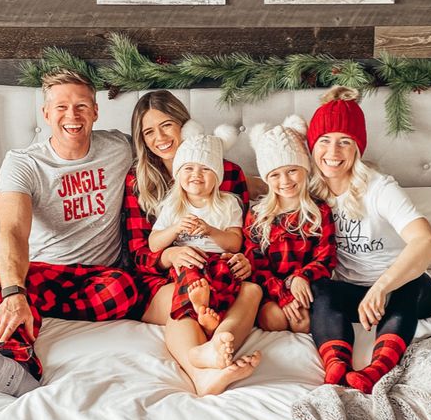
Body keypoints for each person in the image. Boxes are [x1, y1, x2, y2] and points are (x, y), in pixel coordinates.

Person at [0, 69, 147, 397]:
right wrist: (15, 292)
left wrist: (260, 184)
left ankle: (32, 306)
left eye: (82, 106)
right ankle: (16, 366)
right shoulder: (23, 163)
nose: (72, 116)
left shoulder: (119, 148)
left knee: (126, 287)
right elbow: (14, 230)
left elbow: (184, 165)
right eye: (61, 107)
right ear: (46, 114)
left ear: (95, 111)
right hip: (41, 273)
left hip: (100, 278)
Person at [124, 91, 262, 396]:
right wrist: (170, 255)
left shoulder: (226, 175)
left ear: (184, 126)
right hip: (164, 279)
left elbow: (243, 231)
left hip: (219, 270)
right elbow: (138, 251)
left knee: (252, 291)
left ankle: (217, 345)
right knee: (181, 295)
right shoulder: (139, 180)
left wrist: (246, 259)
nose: (159, 137)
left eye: (167, 125)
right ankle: (199, 372)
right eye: (149, 131)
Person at [307, 87, 431, 394]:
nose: (333, 151)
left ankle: (376, 369)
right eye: (324, 141)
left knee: (412, 283)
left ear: (358, 148)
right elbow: (270, 181)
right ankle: (336, 367)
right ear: (312, 146)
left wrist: (382, 286)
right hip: (352, 296)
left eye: (345, 141)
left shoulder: (380, 188)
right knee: (320, 289)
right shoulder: (308, 189)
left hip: (399, 291)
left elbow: (427, 242)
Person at [149, 123, 244, 339]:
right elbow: (154, 244)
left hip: (218, 259)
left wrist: (211, 231)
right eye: (189, 168)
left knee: (225, 276)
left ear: (218, 176)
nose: (196, 175)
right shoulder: (172, 206)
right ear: (178, 173)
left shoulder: (228, 203)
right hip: (188, 259)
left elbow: (235, 243)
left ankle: (207, 314)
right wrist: (175, 229)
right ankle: (201, 309)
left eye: (205, 169)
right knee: (188, 271)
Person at [244, 116, 336, 334]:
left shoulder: (320, 211)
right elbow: (255, 267)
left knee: (302, 323)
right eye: (275, 174)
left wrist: (300, 277)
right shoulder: (256, 215)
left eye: (292, 170)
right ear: (266, 178)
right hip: (271, 289)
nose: (285, 181)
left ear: (305, 169)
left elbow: (326, 258)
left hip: (305, 286)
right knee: (274, 320)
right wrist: (282, 293)